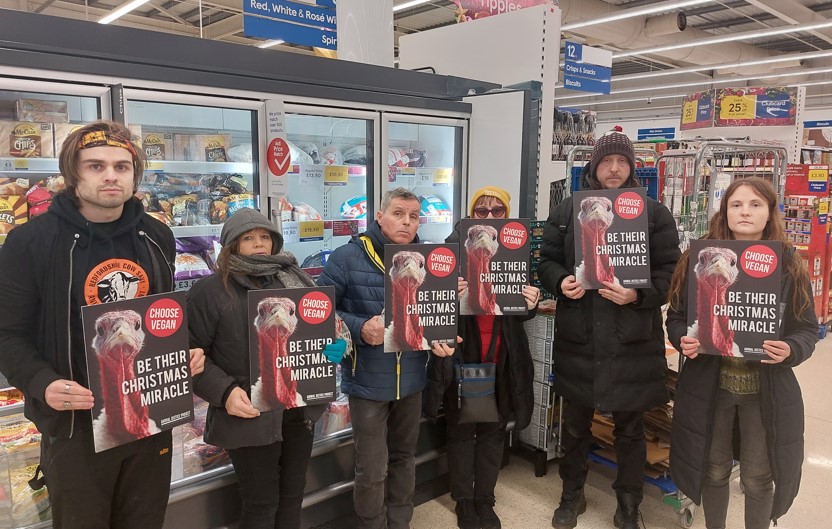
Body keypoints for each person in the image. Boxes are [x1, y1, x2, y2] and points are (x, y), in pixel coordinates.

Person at [0, 120, 205, 529]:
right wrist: (41, 381)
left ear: (135, 175)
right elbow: (6, 333)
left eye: (122, 166)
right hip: (76, 426)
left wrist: (186, 349)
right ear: (72, 173)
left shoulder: (157, 236)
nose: (111, 175)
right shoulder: (31, 242)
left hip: (149, 417)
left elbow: (161, 317)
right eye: (95, 165)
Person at [537, 129, 681, 529]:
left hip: (630, 339)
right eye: (606, 161)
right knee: (575, 425)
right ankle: (572, 496)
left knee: (630, 429)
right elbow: (546, 259)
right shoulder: (568, 210)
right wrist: (559, 281)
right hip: (580, 337)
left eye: (622, 161)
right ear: (594, 168)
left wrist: (640, 295)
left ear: (633, 167)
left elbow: (672, 272)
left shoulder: (653, 214)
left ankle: (629, 503)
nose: (614, 169)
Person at [666, 177, 817, 529]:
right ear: (725, 211)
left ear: (769, 214)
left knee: (758, 477)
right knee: (714, 469)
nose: (745, 211)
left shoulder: (789, 264)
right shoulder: (696, 259)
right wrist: (682, 338)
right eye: (736, 204)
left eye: (755, 205)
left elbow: (807, 328)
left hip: (765, 392)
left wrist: (791, 349)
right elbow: (676, 316)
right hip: (710, 387)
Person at [186, 207, 347, 529]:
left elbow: (323, 335)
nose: (259, 244)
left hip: (298, 411)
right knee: (260, 503)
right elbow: (192, 359)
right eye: (248, 238)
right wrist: (226, 392)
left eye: (264, 237)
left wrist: (333, 349)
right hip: (247, 413)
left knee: (292, 496)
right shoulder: (210, 292)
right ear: (232, 245)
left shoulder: (296, 281)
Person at [317, 187, 455, 529]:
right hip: (366, 381)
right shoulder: (346, 258)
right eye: (398, 213)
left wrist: (441, 339)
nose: (406, 222)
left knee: (405, 458)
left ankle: (400, 522)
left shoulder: (429, 262)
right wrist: (361, 327)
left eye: (413, 216)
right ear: (379, 216)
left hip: (411, 379)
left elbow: (435, 317)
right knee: (371, 467)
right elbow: (318, 314)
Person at [423, 186, 540, 529]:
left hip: (504, 355)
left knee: (492, 430)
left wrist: (530, 302)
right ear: (471, 214)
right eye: (482, 210)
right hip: (463, 352)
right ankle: (463, 499)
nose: (489, 216)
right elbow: (430, 308)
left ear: (506, 214)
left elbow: (522, 310)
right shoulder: (449, 251)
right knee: (461, 429)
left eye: (497, 211)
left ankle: (485, 498)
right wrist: (449, 292)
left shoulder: (515, 252)